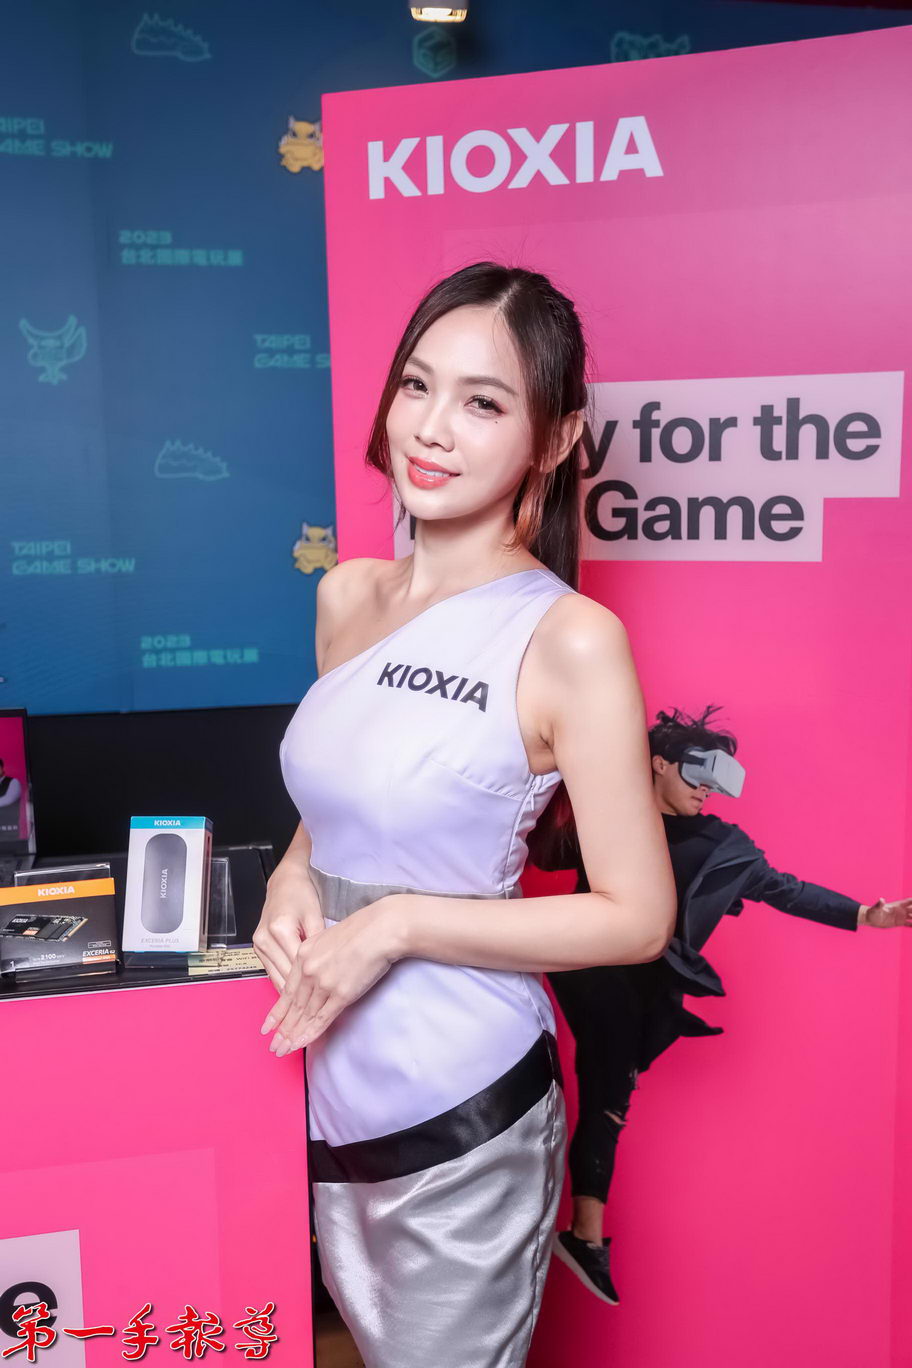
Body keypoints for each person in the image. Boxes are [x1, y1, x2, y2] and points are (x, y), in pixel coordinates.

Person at [252, 262, 678, 1368]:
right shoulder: (346, 595)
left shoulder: (569, 639)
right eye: (416, 385)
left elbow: (637, 918)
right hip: (325, 1078)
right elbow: (345, 799)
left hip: (463, 1103)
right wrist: (291, 872)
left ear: (555, 438)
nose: (430, 429)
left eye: (483, 402)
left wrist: (395, 923)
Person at [545, 703, 912, 1306]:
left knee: (609, 1100)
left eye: (714, 784)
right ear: (659, 764)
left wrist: (866, 916)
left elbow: (787, 890)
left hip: (645, 984)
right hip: (585, 961)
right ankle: (580, 1235)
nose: (706, 792)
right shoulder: (609, 809)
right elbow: (546, 852)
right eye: (697, 776)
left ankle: (583, 1237)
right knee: (602, 1081)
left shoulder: (724, 846)